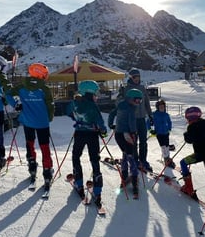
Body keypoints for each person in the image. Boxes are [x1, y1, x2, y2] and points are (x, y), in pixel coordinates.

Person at [6, 63, 54, 188]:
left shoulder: (22, 86)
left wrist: (16, 104)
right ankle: (47, 171)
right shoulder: (44, 89)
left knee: (30, 144)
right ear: (41, 74)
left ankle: (32, 167)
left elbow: (8, 94)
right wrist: (49, 118)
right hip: (42, 123)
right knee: (44, 147)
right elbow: (50, 106)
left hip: (27, 121)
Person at [66, 80, 107, 208]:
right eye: (95, 94)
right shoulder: (93, 105)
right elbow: (100, 121)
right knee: (94, 160)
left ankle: (78, 183)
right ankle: (97, 191)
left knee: (76, 156)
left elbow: (68, 112)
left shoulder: (75, 102)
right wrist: (103, 131)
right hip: (92, 135)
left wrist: (77, 118)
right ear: (90, 93)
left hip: (79, 133)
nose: (96, 96)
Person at [117, 68, 153, 172]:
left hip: (142, 118)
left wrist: (150, 114)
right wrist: (120, 95)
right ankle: (135, 160)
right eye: (134, 77)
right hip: (131, 119)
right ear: (130, 78)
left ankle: (143, 160)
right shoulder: (126, 89)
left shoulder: (142, 88)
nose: (136, 79)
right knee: (133, 141)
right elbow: (119, 104)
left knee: (143, 141)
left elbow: (146, 102)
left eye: (138, 77)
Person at [108, 88, 143, 198]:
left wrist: (111, 124)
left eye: (140, 101)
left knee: (125, 154)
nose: (138, 103)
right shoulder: (130, 109)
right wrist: (133, 132)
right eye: (137, 100)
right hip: (127, 135)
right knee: (131, 156)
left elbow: (111, 114)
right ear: (130, 99)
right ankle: (134, 181)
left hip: (118, 134)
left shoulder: (120, 105)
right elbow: (131, 122)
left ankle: (124, 175)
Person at [148, 98, 174, 168]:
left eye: (163, 107)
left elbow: (169, 122)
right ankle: (166, 159)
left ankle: (168, 158)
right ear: (157, 107)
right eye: (160, 107)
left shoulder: (166, 114)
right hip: (159, 133)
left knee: (167, 146)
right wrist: (150, 130)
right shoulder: (154, 114)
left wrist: (169, 129)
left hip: (166, 133)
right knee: (163, 146)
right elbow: (148, 122)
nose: (162, 108)